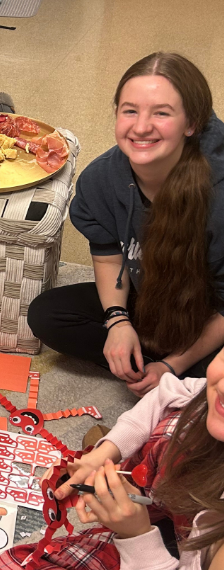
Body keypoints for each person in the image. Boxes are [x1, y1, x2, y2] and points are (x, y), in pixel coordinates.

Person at [0, 350, 224, 570]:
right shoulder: (210, 399)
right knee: (181, 420)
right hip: (175, 544)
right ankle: (145, 561)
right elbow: (172, 392)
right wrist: (105, 452)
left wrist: (137, 537)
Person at [28, 53, 224, 396]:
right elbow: (108, 256)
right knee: (47, 315)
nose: (141, 127)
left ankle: (173, 373)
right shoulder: (101, 179)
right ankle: (166, 374)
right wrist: (117, 320)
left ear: (191, 123)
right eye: (130, 111)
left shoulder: (217, 195)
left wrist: (171, 366)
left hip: (208, 313)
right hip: (148, 297)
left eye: (161, 113)